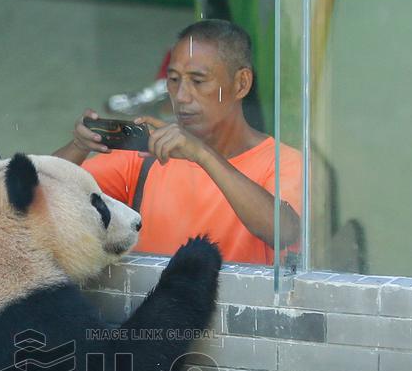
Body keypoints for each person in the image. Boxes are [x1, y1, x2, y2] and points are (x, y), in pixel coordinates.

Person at [53, 19, 302, 263]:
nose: (181, 96)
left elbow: (284, 231)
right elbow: (41, 197)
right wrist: (78, 147)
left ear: (241, 83)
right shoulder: (147, 156)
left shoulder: (284, 162)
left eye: (198, 80)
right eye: (173, 80)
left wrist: (203, 155)